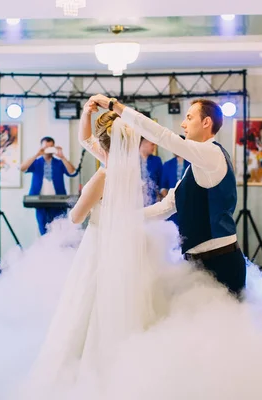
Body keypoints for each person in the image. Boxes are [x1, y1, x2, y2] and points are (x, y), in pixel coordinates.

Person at [19, 99, 163, 395]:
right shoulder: (129, 171)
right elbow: (87, 140)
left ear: (103, 142)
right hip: (123, 240)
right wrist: (86, 114)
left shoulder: (103, 175)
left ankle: (88, 371)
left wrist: (86, 196)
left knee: (87, 301)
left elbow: (76, 217)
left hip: (98, 244)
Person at [89, 94, 246, 298]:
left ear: (206, 122)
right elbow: (166, 207)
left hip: (221, 262)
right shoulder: (194, 168)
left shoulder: (212, 155)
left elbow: (163, 137)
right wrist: (123, 217)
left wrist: (115, 106)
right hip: (197, 264)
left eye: (189, 117)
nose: (183, 124)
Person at [21, 137, 76, 235]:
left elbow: (72, 172)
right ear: (41, 147)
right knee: (43, 230)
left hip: (58, 202)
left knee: (60, 231)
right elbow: (22, 168)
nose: (48, 149)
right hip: (40, 201)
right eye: (46, 146)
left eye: (51, 146)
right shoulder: (36, 162)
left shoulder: (59, 163)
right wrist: (37, 154)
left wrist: (62, 157)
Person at [160, 144, 190, 226]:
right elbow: (163, 186)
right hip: (172, 201)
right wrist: (168, 197)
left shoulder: (191, 163)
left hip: (188, 202)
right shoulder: (167, 164)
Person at [140, 137, 163, 206]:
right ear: (144, 143)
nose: (154, 147)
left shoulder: (157, 160)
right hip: (137, 200)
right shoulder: (132, 160)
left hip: (153, 200)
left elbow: (161, 179)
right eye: (152, 144)